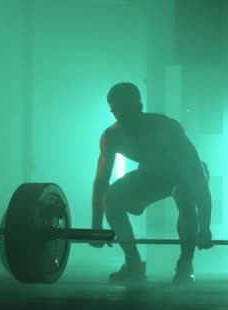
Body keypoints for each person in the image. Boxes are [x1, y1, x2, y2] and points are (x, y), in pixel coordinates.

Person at [89, 82, 213, 285]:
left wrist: (205, 227)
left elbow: (197, 179)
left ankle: (185, 263)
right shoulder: (111, 136)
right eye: (115, 113)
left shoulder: (166, 128)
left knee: (185, 196)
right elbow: (101, 183)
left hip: (185, 174)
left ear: (139, 108)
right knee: (111, 197)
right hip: (151, 175)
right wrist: (96, 226)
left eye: (126, 112)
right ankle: (134, 264)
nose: (121, 118)